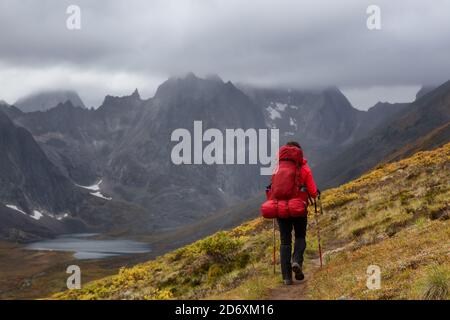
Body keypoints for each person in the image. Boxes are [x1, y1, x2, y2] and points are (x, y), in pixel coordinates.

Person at [275, 141, 318, 285]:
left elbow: (274, 189)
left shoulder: (277, 167)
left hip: (281, 209)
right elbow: (312, 192)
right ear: (299, 153)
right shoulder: (304, 169)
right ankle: (297, 261)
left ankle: (286, 277)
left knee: (285, 241)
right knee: (300, 236)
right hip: (298, 209)